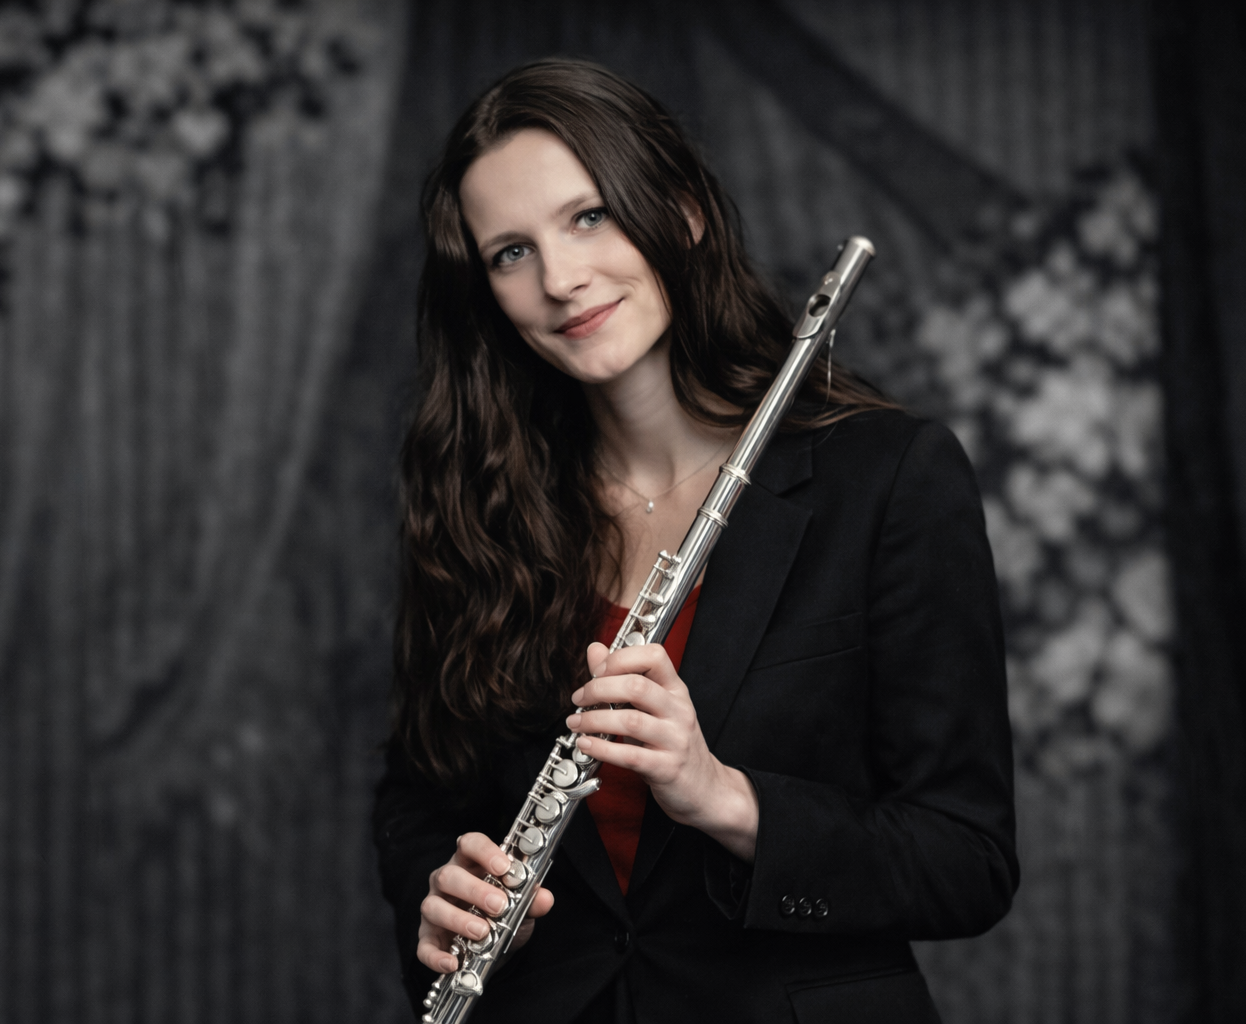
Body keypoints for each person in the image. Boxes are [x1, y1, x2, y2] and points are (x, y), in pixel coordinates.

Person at [373, 59, 1016, 1024]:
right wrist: (437, 892)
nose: (561, 278)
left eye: (589, 216)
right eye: (510, 252)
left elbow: (967, 860)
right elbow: (417, 795)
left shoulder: (886, 477)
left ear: (681, 211)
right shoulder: (484, 507)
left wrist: (723, 797)